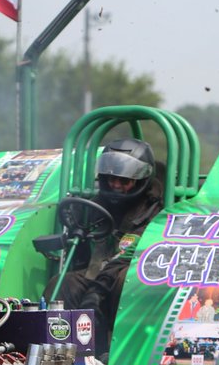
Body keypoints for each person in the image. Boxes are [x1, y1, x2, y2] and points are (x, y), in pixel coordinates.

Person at [49, 138, 164, 340]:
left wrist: (97, 291)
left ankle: (115, 349)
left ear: (140, 180)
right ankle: (58, 347)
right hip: (97, 270)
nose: (115, 185)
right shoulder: (96, 204)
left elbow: (128, 253)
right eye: (111, 179)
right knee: (64, 283)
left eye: (124, 181)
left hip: (133, 272)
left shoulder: (155, 209)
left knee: (124, 283)